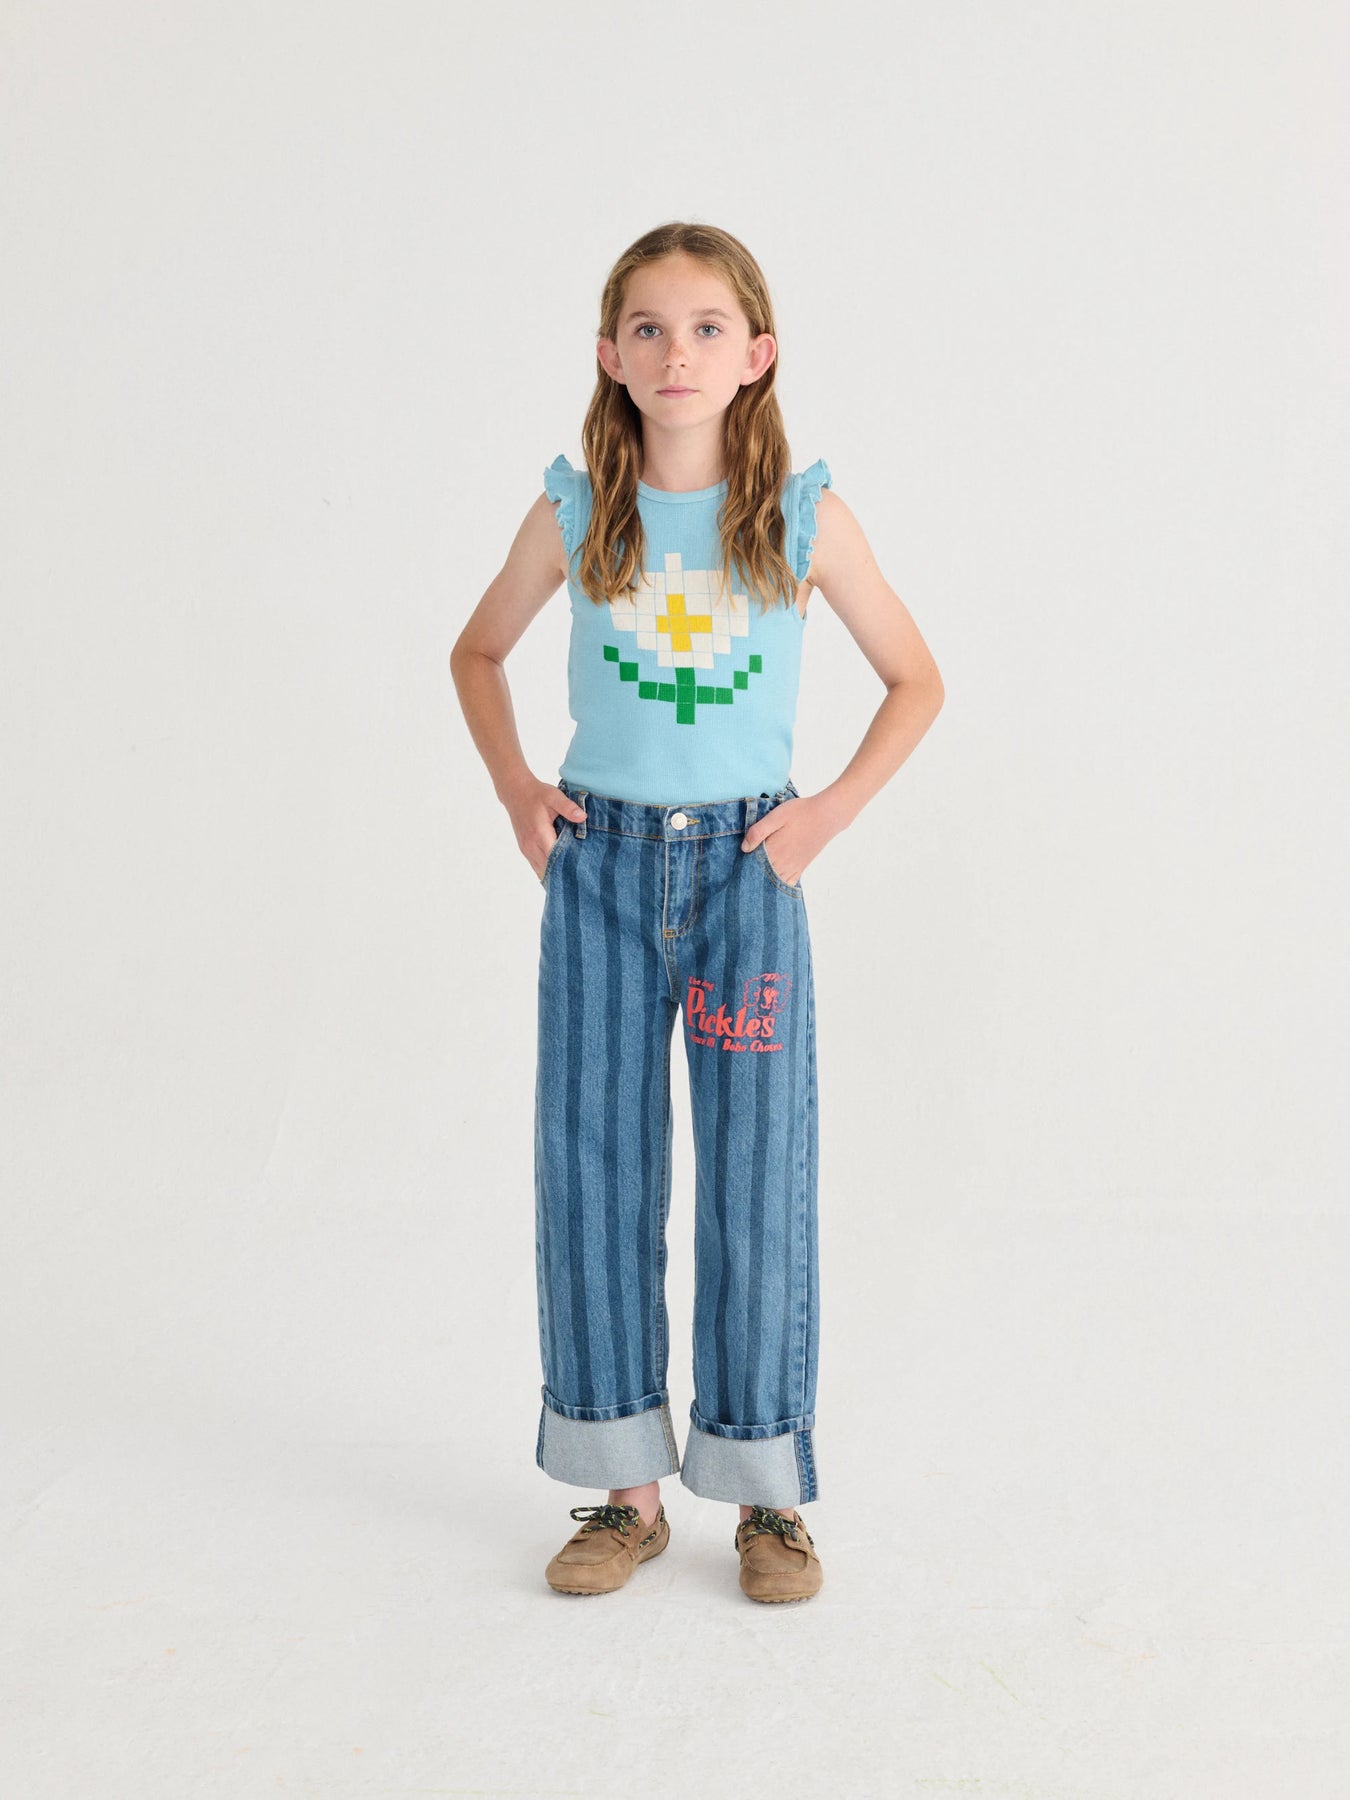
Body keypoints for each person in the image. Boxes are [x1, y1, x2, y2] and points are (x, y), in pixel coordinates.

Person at [450, 221, 944, 1603]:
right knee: (595, 1168)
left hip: (746, 879)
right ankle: (624, 1493)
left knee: (754, 1176)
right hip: (600, 874)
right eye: (650, 328)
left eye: (708, 326)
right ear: (611, 357)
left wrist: (823, 816)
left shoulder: (799, 516)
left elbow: (916, 679)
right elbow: (476, 651)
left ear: (757, 354)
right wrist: (516, 788)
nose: (679, 352)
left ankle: (766, 1493)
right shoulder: (574, 514)